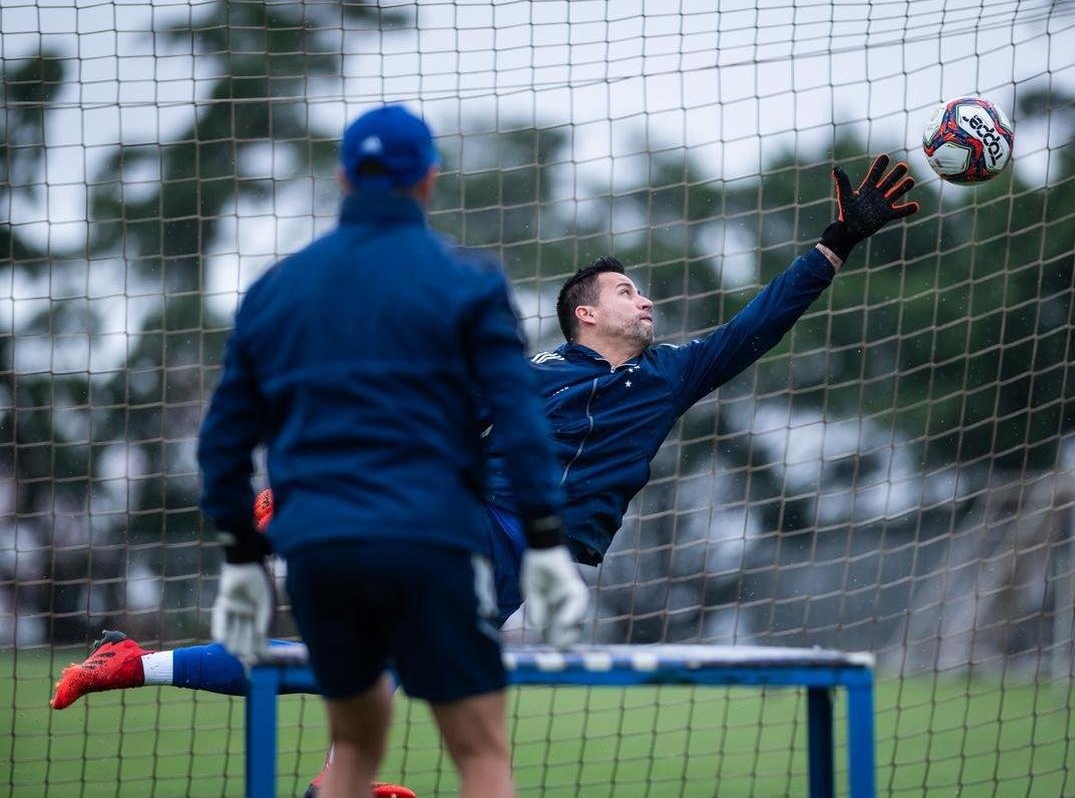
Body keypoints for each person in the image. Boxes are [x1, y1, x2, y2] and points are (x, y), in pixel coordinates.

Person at [52, 153, 918, 795]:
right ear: (586, 312)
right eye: (625, 291)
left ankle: (138, 665)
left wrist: (837, 240)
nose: (643, 300)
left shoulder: (669, 376)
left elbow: (757, 326)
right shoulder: (529, 373)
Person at [192, 103, 588, 798]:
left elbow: (223, 442)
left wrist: (240, 558)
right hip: (429, 541)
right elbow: (520, 421)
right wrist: (549, 541)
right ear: (429, 179)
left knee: (354, 740)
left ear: (345, 177)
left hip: (318, 552)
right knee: (480, 752)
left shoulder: (274, 290)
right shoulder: (468, 281)